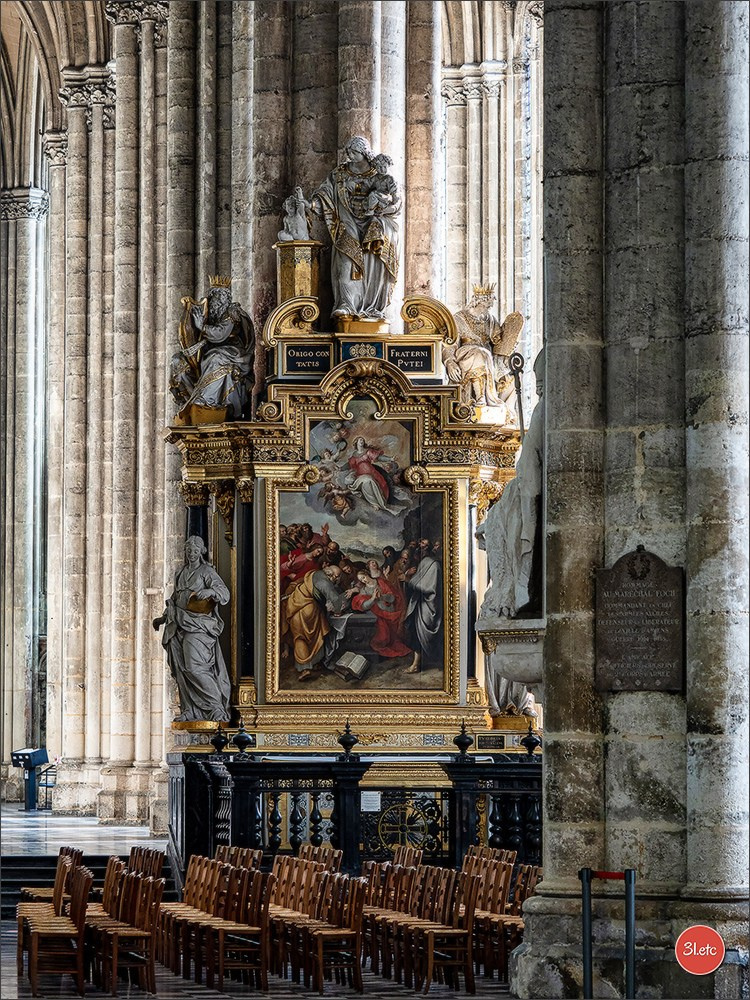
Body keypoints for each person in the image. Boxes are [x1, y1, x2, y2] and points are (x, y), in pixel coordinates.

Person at [479, 349, 544, 619]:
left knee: (505, 518)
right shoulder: (544, 410)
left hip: (528, 492)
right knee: (501, 517)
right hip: (525, 490)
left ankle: (515, 591)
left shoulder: (543, 410)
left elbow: (530, 477)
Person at [311, 136, 400, 321]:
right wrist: (312, 204)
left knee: (373, 259)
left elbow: (396, 201)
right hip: (346, 222)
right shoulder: (340, 174)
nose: (350, 156)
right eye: (349, 152)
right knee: (346, 262)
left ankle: (373, 306)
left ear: (365, 153)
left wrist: (384, 207)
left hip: (372, 222)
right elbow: (325, 193)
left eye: (355, 152)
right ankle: (347, 304)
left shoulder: (380, 175)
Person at [153, 536, 231, 722]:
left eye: (195, 550)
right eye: (189, 550)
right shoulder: (181, 572)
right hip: (178, 624)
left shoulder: (206, 571)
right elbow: (175, 599)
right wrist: (163, 618)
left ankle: (216, 708)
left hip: (198, 626)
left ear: (201, 552)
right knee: (181, 670)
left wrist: (211, 591)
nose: (191, 553)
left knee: (195, 667)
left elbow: (224, 593)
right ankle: (189, 710)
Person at [170, 277, 255, 424]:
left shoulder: (232, 312)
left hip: (234, 354)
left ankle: (208, 401)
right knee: (178, 361)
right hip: (213, 352)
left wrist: (201, 326)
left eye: (218, 298)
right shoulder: (211, 315)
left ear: (225, 299)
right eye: (213, 297)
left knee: (217, 358)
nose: (215, 301)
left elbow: (219, 334)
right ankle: (192, 399)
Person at [444, 284, 523, 415]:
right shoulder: (458, 319)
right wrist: (449, 362)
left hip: (488, 359)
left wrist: (511, 337)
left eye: (490, 307)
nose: (488, 309)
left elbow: (498, 341)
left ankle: (507, 413)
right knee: (480, 354)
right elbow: (449, 344)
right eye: (487, 306)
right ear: (477, 303)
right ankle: (481, 399)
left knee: (513, 376)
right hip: (465, 356)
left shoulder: (490, 320)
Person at [282, 564, 350, 681]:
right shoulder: (325, 583)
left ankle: (311, 665)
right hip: (308, 609)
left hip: (294, 605)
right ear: (332, 574)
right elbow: (335, 600)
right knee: (311, 637)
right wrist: (339, 610)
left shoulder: (316, 573)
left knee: (301, 637)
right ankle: (306, 669)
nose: (337, 579)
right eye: (337, 576)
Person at [402, 539, 443, 673]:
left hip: (428, 605)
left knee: (422, 635)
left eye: (425, 546)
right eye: (420, 545)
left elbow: (430, 587)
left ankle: (418, 664)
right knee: (415, 634)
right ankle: (415, 664)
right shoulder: (423, 562)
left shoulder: (434, 565)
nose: (421, 548)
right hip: (418, 604)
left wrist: (408, 580)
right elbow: (417, 580)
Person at [345, 436, 407, 515]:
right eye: (360, 440)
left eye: (363, 440)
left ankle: (379, 503)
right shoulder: (353, 457)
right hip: (360, 476)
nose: (362, 441)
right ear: (356, 442)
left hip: (373, 474)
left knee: (375, 483)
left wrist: (390, 459)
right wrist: (340, 468)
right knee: (367, 482)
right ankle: (374, 503)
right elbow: (348, 465)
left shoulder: (368, 452)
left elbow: (379, 457)